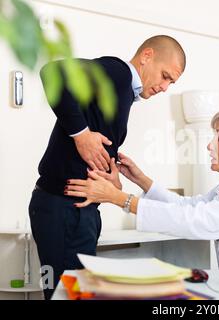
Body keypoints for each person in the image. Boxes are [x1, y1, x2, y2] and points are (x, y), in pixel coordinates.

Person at [29, 35, 186, 299]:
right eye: (165, 76)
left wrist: (111, 174)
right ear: (146, 56)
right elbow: (52, 72)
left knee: (77, 294)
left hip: (79, 212)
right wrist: (81, 135)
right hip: (63, 208)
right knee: (66, 295)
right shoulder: (119, 73)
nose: (165, 87)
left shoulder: (123, 92)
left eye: (171, 82)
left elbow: (96, 140)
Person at [65, 109, 219, 270]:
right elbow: (187, 206)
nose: (209, 145)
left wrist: (118, 198)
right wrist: (142, 180)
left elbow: (196, 220)